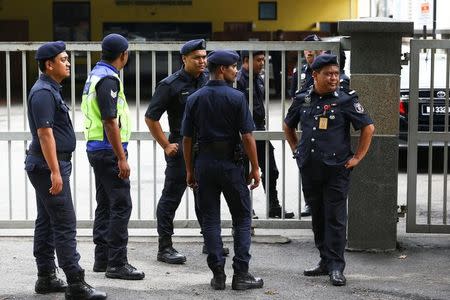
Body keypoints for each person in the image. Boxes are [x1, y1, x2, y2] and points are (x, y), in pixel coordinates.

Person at [283, 54, 375, 286]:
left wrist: (357, 158)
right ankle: (324, 260)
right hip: (310, 168)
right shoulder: (303, 98)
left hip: (336, 169)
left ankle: (336, 266)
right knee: (318, 216)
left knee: (335, 217)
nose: (334, 78)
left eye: (336, 73)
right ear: (315, 75)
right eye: (328, 74)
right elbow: (287, 124)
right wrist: (296, 149)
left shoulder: (346, 99)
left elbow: (368, 128)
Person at [25, 41, 106, 299]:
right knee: (64, 222)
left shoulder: (50, 89)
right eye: (63, 59)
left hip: (49, 164)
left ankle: (46, 276)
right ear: (49, 64)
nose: (68, 63)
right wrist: (55, 171)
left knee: (48, 219)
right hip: (49, 165)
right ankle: (75, 283)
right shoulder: (43, 93)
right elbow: (45, 134)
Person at [182, 49, 264, 291]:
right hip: (231, 164)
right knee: (241, 218)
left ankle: (218, 274)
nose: (236, 70)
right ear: (221, 70)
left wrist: (189, 169)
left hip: (204, 164)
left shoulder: (194, 98)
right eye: (233, 67)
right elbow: (247, 137)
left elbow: (187, 138)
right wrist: (256, 167)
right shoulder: (237, 98)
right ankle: (241, 275)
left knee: (210, 220)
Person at [145, 39, 228, 263]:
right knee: (171, 197)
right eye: (197, 58)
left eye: (204, 57)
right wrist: (165, 144)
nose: (202, 61)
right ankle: (165, 247)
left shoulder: (208, 80)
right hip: (181, 150)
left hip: (206, 149)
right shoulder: (170, 84)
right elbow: (151, 117)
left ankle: (210, 240)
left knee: (206, 196)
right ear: (184, 59)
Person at [81, 33, 144, 280]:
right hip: (108, 151)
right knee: (121, 204)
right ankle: (117, 263)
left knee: (106, 203)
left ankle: (102, 258)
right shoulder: (108, 79)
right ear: (123, 55)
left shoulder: (96, 74)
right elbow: (109, 121)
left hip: (97, 148)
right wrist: (121, 157)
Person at [237, 50, 294, 219]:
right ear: (247, 60)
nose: (262, 63)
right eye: (259, 60)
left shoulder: (259, 79)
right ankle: (246, 209)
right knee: (243, 172)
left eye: (264, 60)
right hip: (244, 134)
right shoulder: (239, 81)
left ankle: (273, 206)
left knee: (271, 170)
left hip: (260, 131)